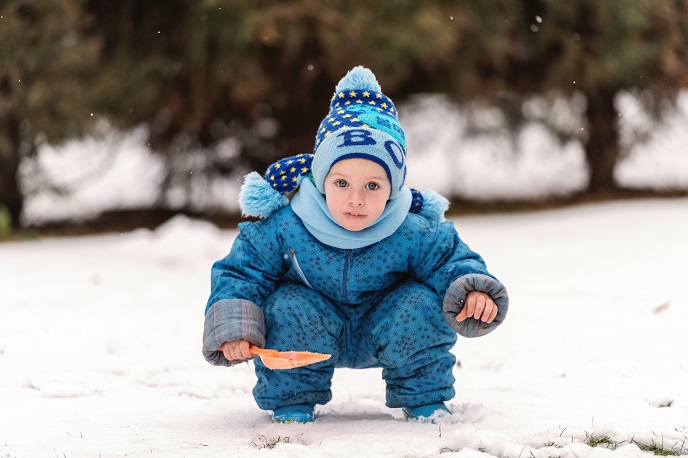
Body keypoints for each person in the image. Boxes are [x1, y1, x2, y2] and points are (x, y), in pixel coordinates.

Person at [202, 66, 509, 423]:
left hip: (389, 322)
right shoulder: (288, 226)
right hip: (312, 328)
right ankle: (293, 400)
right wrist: (235, 328)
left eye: (373, 186)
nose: (356, 200)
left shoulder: (410, 228)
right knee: (287, 305)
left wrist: (472, 291)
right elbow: (242, 271)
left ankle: (424, 398)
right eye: (342, 183)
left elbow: (449, 259)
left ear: (394, 188)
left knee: (422, 302)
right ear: (321, 179)